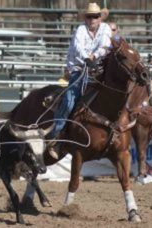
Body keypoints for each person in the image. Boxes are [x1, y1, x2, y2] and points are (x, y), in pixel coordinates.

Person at [49, 2, 112, 159]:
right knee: (70, 99)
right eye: (90, 16)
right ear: (86, 18)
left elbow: (105, 45)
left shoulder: (105, 29)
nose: (92, 19)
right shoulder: (80, 30)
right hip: (78, 69)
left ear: (100, 18)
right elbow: (78, 47)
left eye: (95, 16)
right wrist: (87, 58)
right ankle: (56, 136)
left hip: (98, 70)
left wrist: (94, 57)